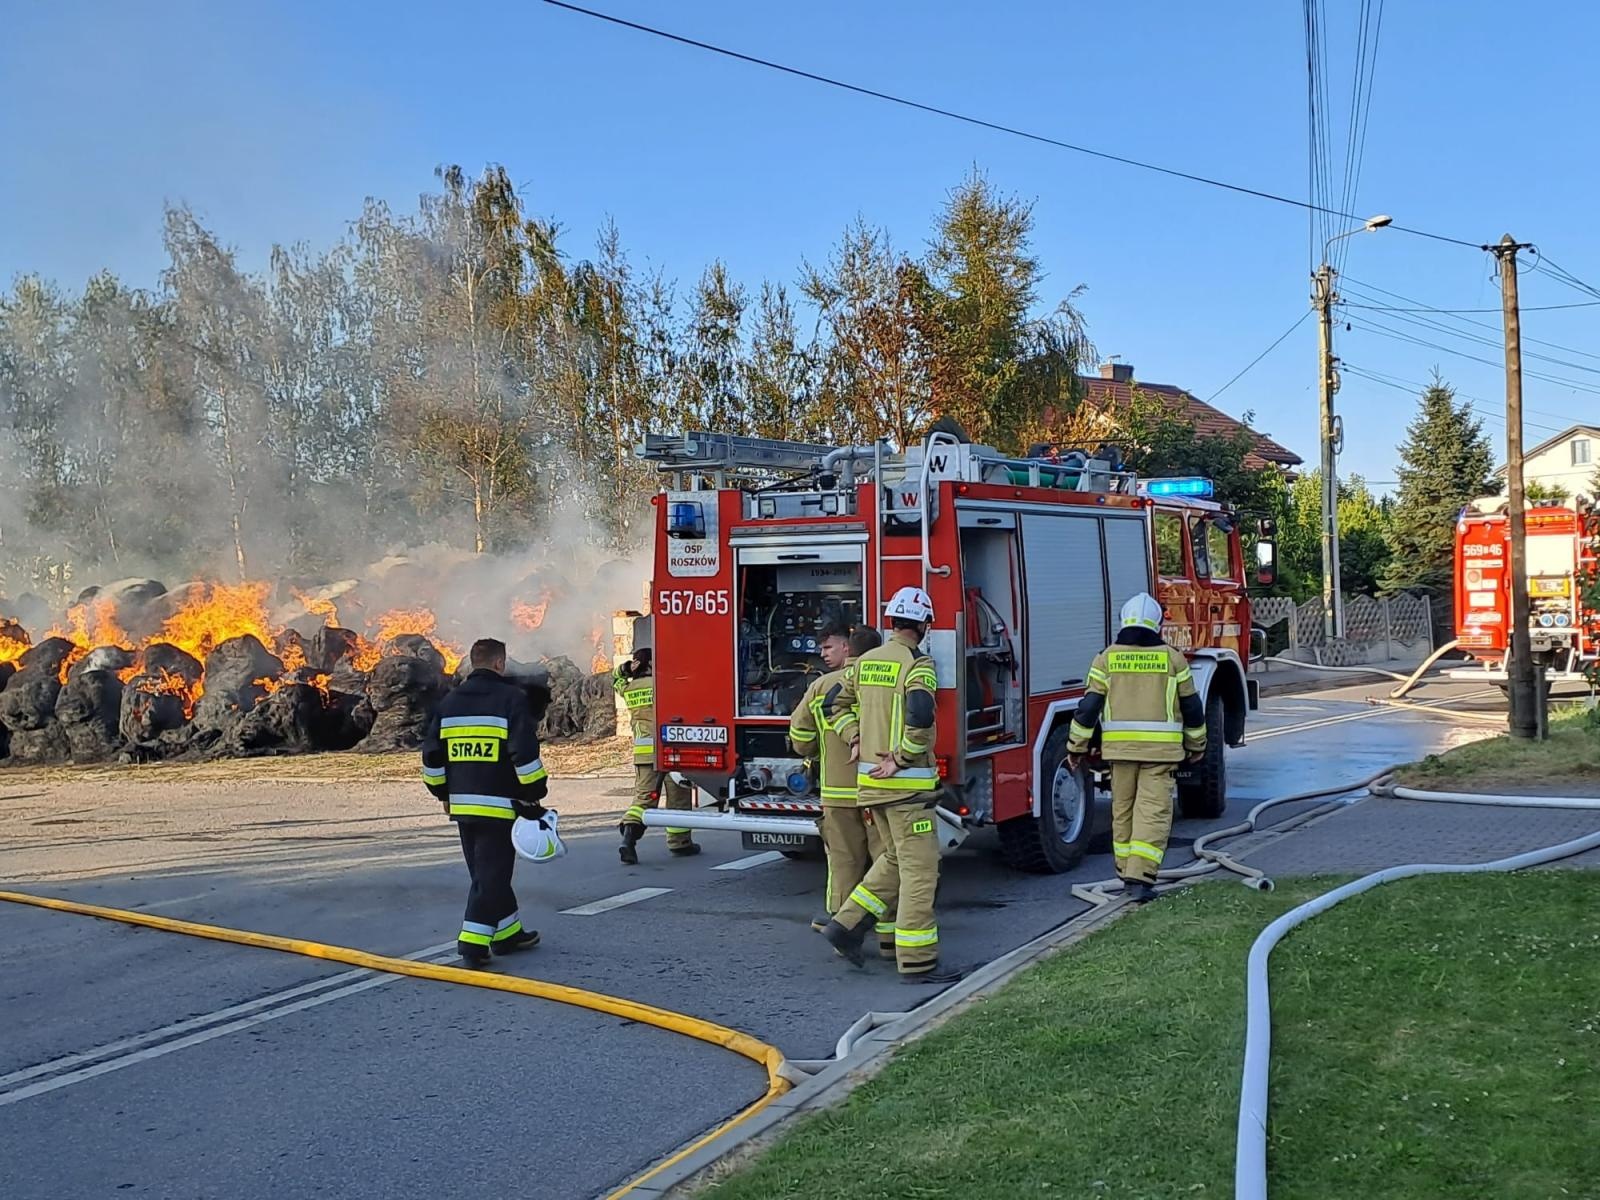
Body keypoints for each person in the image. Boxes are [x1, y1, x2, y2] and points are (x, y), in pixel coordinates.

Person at [819, 587, 958, 984]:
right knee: (920, 871)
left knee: (894, 861)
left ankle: (845, 926)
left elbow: (835, 705)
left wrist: (854, 738)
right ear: (924, 626)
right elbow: (920, 716)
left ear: (892, 622)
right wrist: (901, 757)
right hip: (905, 788)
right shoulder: (919, 664)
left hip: (870, 786)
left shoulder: (865, 662)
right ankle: (918, 961)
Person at [1066, 592, 1207, 903]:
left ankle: (1125, 872)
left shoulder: (1106, 658)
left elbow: (1088, 708)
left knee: (1123, 812)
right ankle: (1140, 879)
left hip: (1120, 753)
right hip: (1160, 756)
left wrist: (1076, 748)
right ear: (1157, 625)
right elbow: (1192, 708)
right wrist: (1197, 745)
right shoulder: (1173, 658)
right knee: (1152, 813)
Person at [420, 638, 547, 968]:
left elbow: (432, 757)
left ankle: (507, 933)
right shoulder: (510, 699)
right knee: (491, 875)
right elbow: (523, 752)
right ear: (500, 664)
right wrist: (535, 791)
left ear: (471, 662)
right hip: (499, 804)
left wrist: (442, 794)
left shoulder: (449, 702)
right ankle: (472, 941)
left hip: (462, 806)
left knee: (486, 872)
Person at [789, 624, 893, 957]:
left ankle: (841, 930)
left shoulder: (821, 686)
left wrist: (819, 749)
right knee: (886, 862)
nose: (822, 653)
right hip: (879, 790)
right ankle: (890, 934)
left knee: (844, 862)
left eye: (828, 647)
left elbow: (800, 737)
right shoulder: (885, 682)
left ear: (849, 648)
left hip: (837, 791)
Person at [612, 647, 699, 863]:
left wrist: (624, 669)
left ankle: (628, 842)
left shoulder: (629, 687)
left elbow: (614, 680)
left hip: (644, 754)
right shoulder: (665, 684)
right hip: (671, 749)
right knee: (678, 797)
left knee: (643, 799)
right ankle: (680, 843)